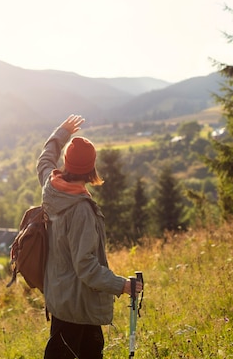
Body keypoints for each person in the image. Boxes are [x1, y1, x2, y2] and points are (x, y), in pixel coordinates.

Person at [37, 114, 143, 359]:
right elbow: (85, 267)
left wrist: (62, 132)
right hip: (77, 306)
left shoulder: (50, 186)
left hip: (64, 299)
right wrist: (123, 285)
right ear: (91, 168)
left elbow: (44, 159)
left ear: (67, 163)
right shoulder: (81, 210)